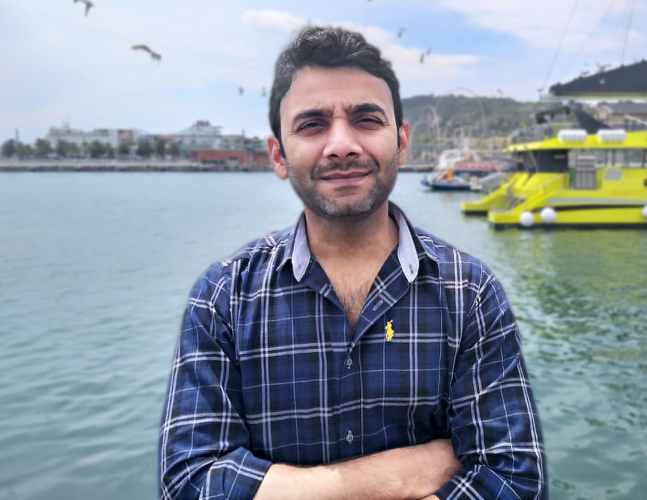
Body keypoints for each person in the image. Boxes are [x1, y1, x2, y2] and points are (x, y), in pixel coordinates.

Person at [158, 26, 547, 500]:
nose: (342, 144)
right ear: (279, 155)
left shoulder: (469, 292)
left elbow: (513, 481)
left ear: (401, 142)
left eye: (366, 119)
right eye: (312, 124)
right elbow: (191, 482)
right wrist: (401, 474)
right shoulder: (225, 296)